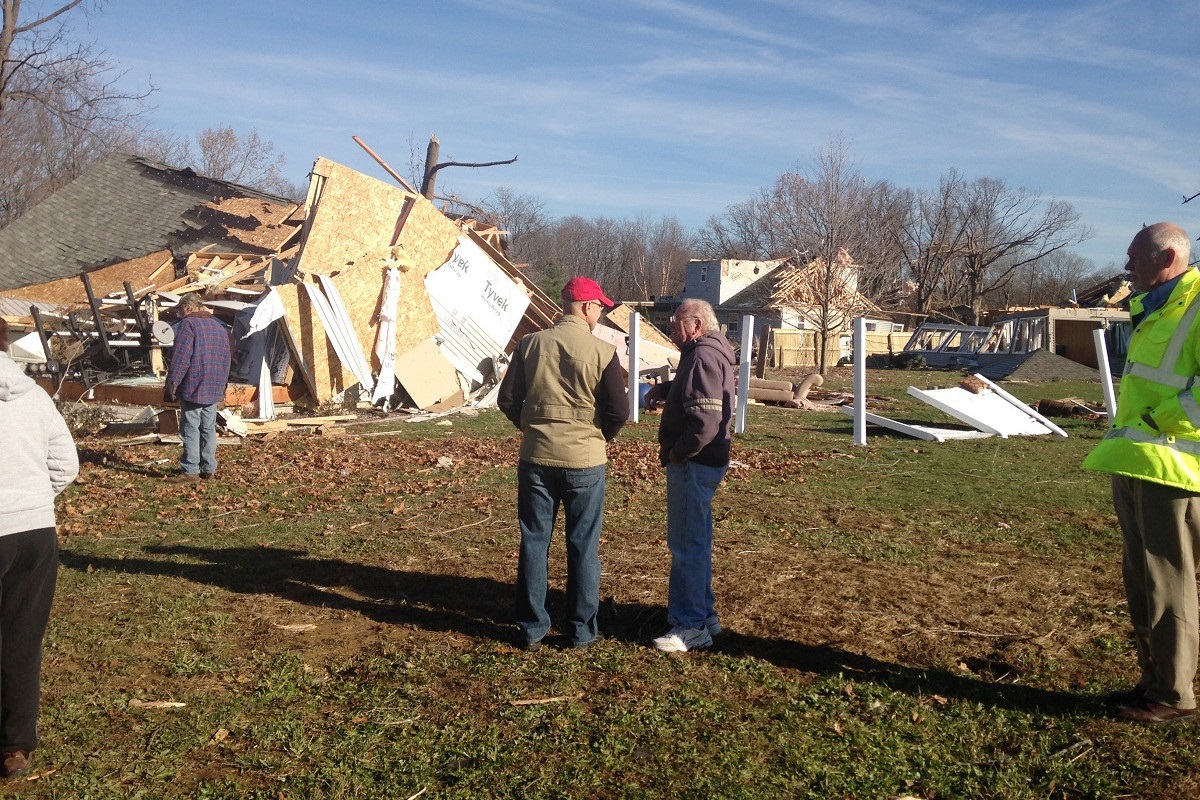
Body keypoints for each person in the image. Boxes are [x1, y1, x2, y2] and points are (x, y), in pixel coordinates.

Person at [1083, 222, 1200, 724]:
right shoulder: (1156, 308)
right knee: (1144, 581)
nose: (1127, 267)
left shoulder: (1193, 307)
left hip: (1173, 469)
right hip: (1138, 462)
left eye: (1135, 258)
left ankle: (1173, 697)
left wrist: (1160, 420)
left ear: (1167, 257)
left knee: (1167, 583)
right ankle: (1154, 682)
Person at [498, 276, 627, 651]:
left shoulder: (529, 345)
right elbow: (618, 410)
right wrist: (599, 436)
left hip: (536, 457)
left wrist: (530, 427)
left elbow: (508, 400)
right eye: (600, 306)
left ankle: (531, 627)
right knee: (583, 545)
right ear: (586, 307)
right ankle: (581, 630)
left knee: (534, 541)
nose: (601, 313)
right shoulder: (602, 351)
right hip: (585, 461)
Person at [0, 316, 79, 778]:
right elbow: (66, 463)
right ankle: (14, 746)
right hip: (33, 532)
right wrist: (31, 501)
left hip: (25, 520)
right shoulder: (34, 396)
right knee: (23, 639)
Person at [649, 298, 736, 652]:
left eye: (675, 321)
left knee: (687, 545)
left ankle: (691, 625)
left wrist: (678, 452)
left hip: (695, 462)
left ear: (697, 324)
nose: (671, 327)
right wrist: (665, 390)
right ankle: (705, 615)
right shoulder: (710, 351)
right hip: (707, 460)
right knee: (696, 539)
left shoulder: (701, 355)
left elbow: (705, 420)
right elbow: (695, 389)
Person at [164, 293, 232, 482]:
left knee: (190, 427)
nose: (180, 315)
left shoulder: (188, 325)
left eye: (180, 311)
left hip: (194, 384)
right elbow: (227, 357)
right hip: (214, 385)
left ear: (188, 307)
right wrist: (223, 385)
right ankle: (209, 468)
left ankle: (190, 470)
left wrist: (172, 383)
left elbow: (181, 357)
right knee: (208, 427)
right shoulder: (219, 327)